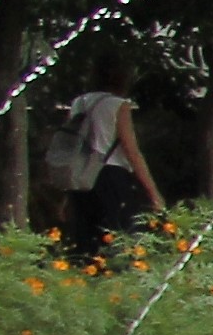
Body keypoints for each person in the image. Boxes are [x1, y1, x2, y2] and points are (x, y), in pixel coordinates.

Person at [43, 63, 166, 257]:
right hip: (112, 176)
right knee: (119, 237)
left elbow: (73, 147)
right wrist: (153, 193)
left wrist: (66, 195)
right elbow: (132, 151)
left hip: (82, 177)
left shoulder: (79, 103)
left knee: (86, 240)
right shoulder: (118, 105)